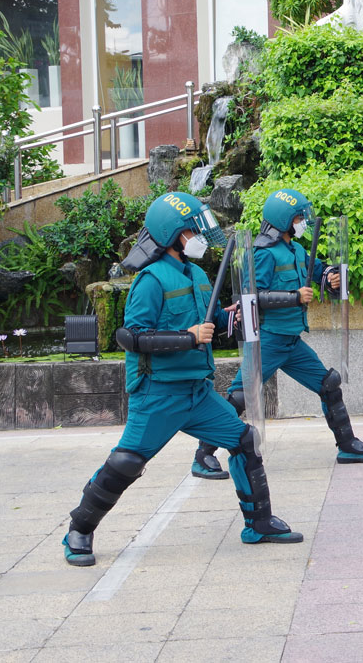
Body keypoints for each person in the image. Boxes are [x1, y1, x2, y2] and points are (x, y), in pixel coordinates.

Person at [64, 192, 302, 566]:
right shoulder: (150, 280)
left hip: (198, 392)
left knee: (244, 440)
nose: (200, 239)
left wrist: (231, 319)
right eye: (194, 231)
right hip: (159, 394)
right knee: (127, 462)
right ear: (175, 235)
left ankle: (258, 523)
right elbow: (130, 337)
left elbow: (210, 323)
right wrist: (188, 338)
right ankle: (80, 528)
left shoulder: (198, 274)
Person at [191, 188, 363, 479]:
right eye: (297, 217)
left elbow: (317, 271)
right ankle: (203, 455)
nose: (302, 222)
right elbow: (252, 295)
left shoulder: (295, 249)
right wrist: (294, 297)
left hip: (292, 340)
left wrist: (330, 275)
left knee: (328, 384)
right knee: (240, 396)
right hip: (269, 339)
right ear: (284, 220)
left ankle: (347, 445)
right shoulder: (264, 253)